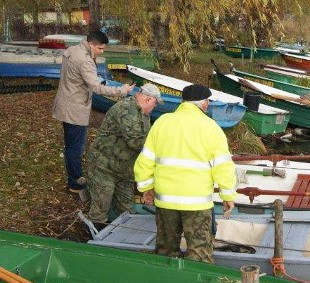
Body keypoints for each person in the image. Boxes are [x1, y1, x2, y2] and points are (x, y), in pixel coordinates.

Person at [134, 84, 237, 263]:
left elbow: (145, 161)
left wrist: (147, 188)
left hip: (166, 201)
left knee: (165, 252)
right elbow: (223, 167)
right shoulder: (211, 127)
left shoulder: (162, 122)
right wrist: (227, 195)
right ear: (204, 103)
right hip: (196, 203)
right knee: (199, 255)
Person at [52, 30, 134, 195]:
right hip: (75, 109)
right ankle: (76, 183)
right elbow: (96, 87)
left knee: (70, 145)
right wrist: (122, 90)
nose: (102, 52)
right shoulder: (85, 60)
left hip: (65, 103)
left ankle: (73, 179)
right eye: (101, 48)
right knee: (76, 148)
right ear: (91, 44)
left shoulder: (73, 50)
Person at [86, 84, 164, 228]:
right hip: (104, 167)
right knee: (100, 210)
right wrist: (164, 150)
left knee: (126, 210)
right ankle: (93, 243)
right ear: (147, 99)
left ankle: (122, 237)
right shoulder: (127, 110)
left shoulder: (142, 114)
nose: (155, 107)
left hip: (124, 171)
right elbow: (136, 142)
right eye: (155, 103)